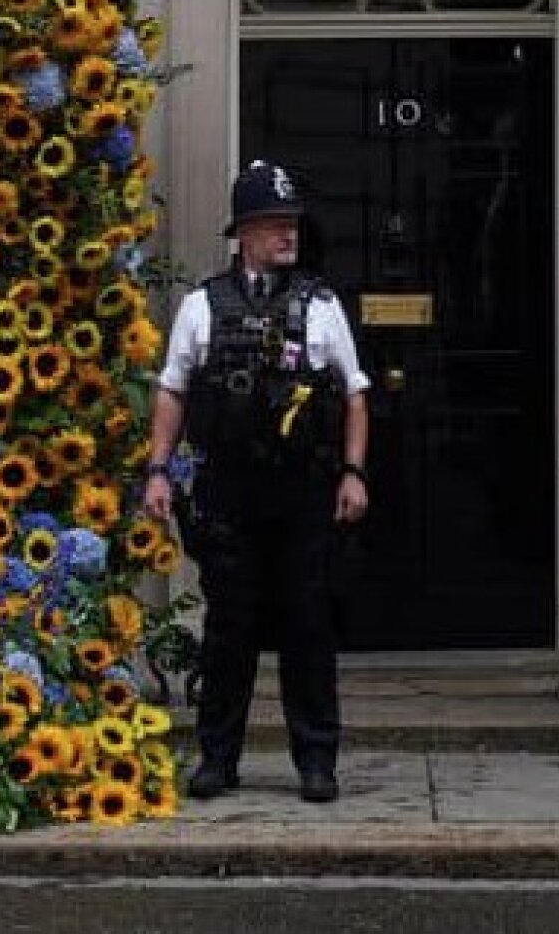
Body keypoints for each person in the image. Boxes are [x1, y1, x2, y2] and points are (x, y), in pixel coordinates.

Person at [143, 160, 370, 803]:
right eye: (273, 224)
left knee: (308, 625)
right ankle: (217, 758)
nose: (286, 235)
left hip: (303, 491)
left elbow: (353, 395)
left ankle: (317, 762)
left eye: (291, 223)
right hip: (228, 491)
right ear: (242, 231)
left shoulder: (322, 305)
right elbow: (172, 390)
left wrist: (353, 473)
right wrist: (159, 469)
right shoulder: (201, 307)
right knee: (229, 630)